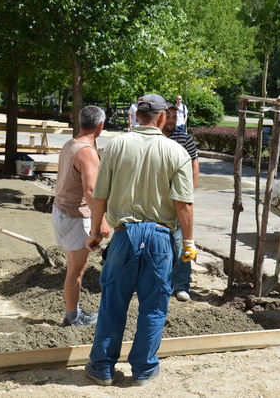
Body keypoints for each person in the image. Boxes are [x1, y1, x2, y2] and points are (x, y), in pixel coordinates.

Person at [84, 93, 195, 387]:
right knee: (154, 305)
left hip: (124, 236)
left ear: (136, 116)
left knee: (113, 303)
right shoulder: (176, 151)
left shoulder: (116, 146)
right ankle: (144, 370)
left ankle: (103, 368)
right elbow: (183, 203)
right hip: (160, 236)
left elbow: (100, 194)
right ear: (161, 117)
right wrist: (189, 242)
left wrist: (96, 231)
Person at [52, 105, 111, 327]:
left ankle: (74, 311)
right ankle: (72, 317)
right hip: (75, 216)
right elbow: (91, 191)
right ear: (100, 126)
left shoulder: (70, 144)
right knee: (76, 270)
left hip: (63, 212)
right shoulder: (86, 152)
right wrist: (101, 222)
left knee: (76, 267)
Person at [162, 102, 200, 302]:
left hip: (178, 198)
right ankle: (161, 282)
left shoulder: (184, 138)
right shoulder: (154, 138)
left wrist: (189, 192)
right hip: (158, 200)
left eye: (175, 117)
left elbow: (195, 165)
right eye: (168, 116)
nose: (171, 120)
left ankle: (181, 284)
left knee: (181, 240)